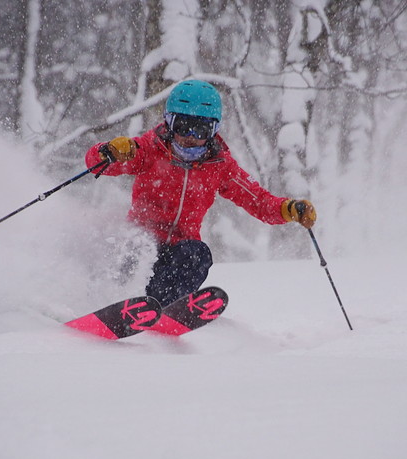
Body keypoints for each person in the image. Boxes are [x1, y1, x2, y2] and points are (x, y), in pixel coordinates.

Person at [85, 79, 316, 307]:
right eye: (183, 126)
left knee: (198, 255)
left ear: (214, 130)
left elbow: (258, 200)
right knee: (133, 247)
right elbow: (96, 164)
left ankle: (162, 308)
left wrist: (288, 209)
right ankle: (112, 299)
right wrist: (109, 152)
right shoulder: (149, 149)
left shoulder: (219, 165)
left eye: (201, 129)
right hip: (142, 242)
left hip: (179, 252)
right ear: (169, 123)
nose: (191, 136)